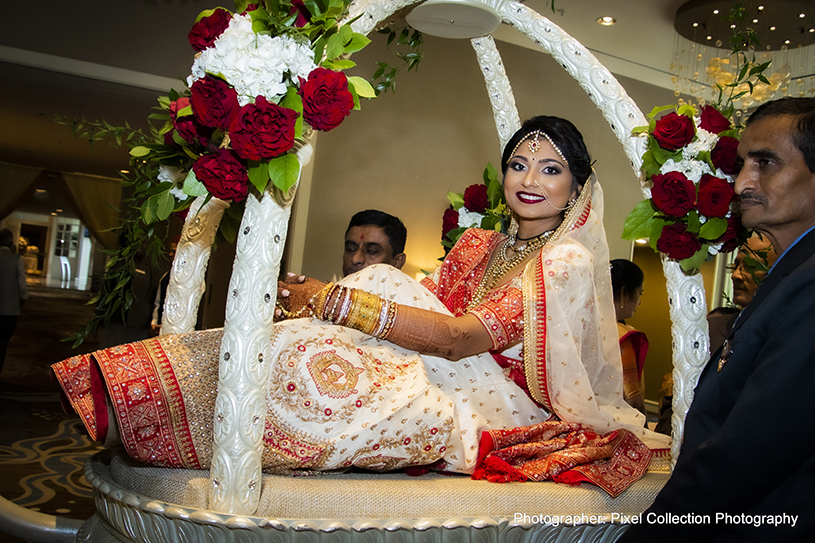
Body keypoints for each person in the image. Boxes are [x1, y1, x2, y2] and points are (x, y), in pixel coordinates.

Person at [52, 117, 668, 493]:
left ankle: (141, 411)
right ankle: (133, 397)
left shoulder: (566, 261)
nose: (529, 179)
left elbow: (457, 337)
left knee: (321, 364)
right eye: (518, 163)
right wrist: (334, 307)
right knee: (316, 336)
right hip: (435, 363)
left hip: (501, 395)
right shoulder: (481, 241)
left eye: (550, 168)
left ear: (576, 187)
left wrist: (335, 301)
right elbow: (421, 306)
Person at [620, 97, 815, 541]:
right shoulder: (793, 272)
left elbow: (753, 450)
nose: (743, 182)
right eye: (743, 163)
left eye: (766, 163)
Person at [276, 210, 406, 319]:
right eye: (350, 249)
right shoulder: (320, 298)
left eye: (371, 251)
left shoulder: (407, 311)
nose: (355, 259)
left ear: (397, 262)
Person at [610, 259, 647, 415]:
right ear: (624, 293)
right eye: (639, 294)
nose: (639, 302)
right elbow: (632, 399)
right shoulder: (620, 335)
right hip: (613, 422)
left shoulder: (582, 325)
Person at [0, 228, 28, 375]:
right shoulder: (16, 259)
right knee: (3, 342)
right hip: (8, 308)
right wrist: (23, 297)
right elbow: (21, 282)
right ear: (11, 243)